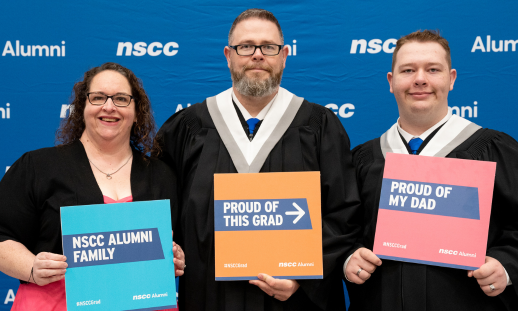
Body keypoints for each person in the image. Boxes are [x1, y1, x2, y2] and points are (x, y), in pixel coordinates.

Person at [155, 8, 361, 311]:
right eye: (246, 46)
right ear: (228, 55)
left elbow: (343, 215)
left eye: (268, 47)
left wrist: (300, 278)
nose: (257, 55)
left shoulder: (320, 127)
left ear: (284, 55)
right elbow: (161, 213)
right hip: (208, 296)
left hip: (294, 301)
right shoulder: (187, 128)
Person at [344, 30, 518, 311]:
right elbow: (340, 229)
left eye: (433, 69)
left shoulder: (496, 152)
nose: (420, 79)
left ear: (451, 79)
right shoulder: (362, 161)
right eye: (408, 70)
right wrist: (348, 257)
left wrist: (507, 266)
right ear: (392, 82)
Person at [0, 62, 185, 310]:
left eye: (121, 99)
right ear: (82, 107)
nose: (109, 107)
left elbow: (178, 245)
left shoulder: (162, 175)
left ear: (137, 111)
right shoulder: (38, 166)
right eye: (98, 97)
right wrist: (32, 268)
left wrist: (173, 259)